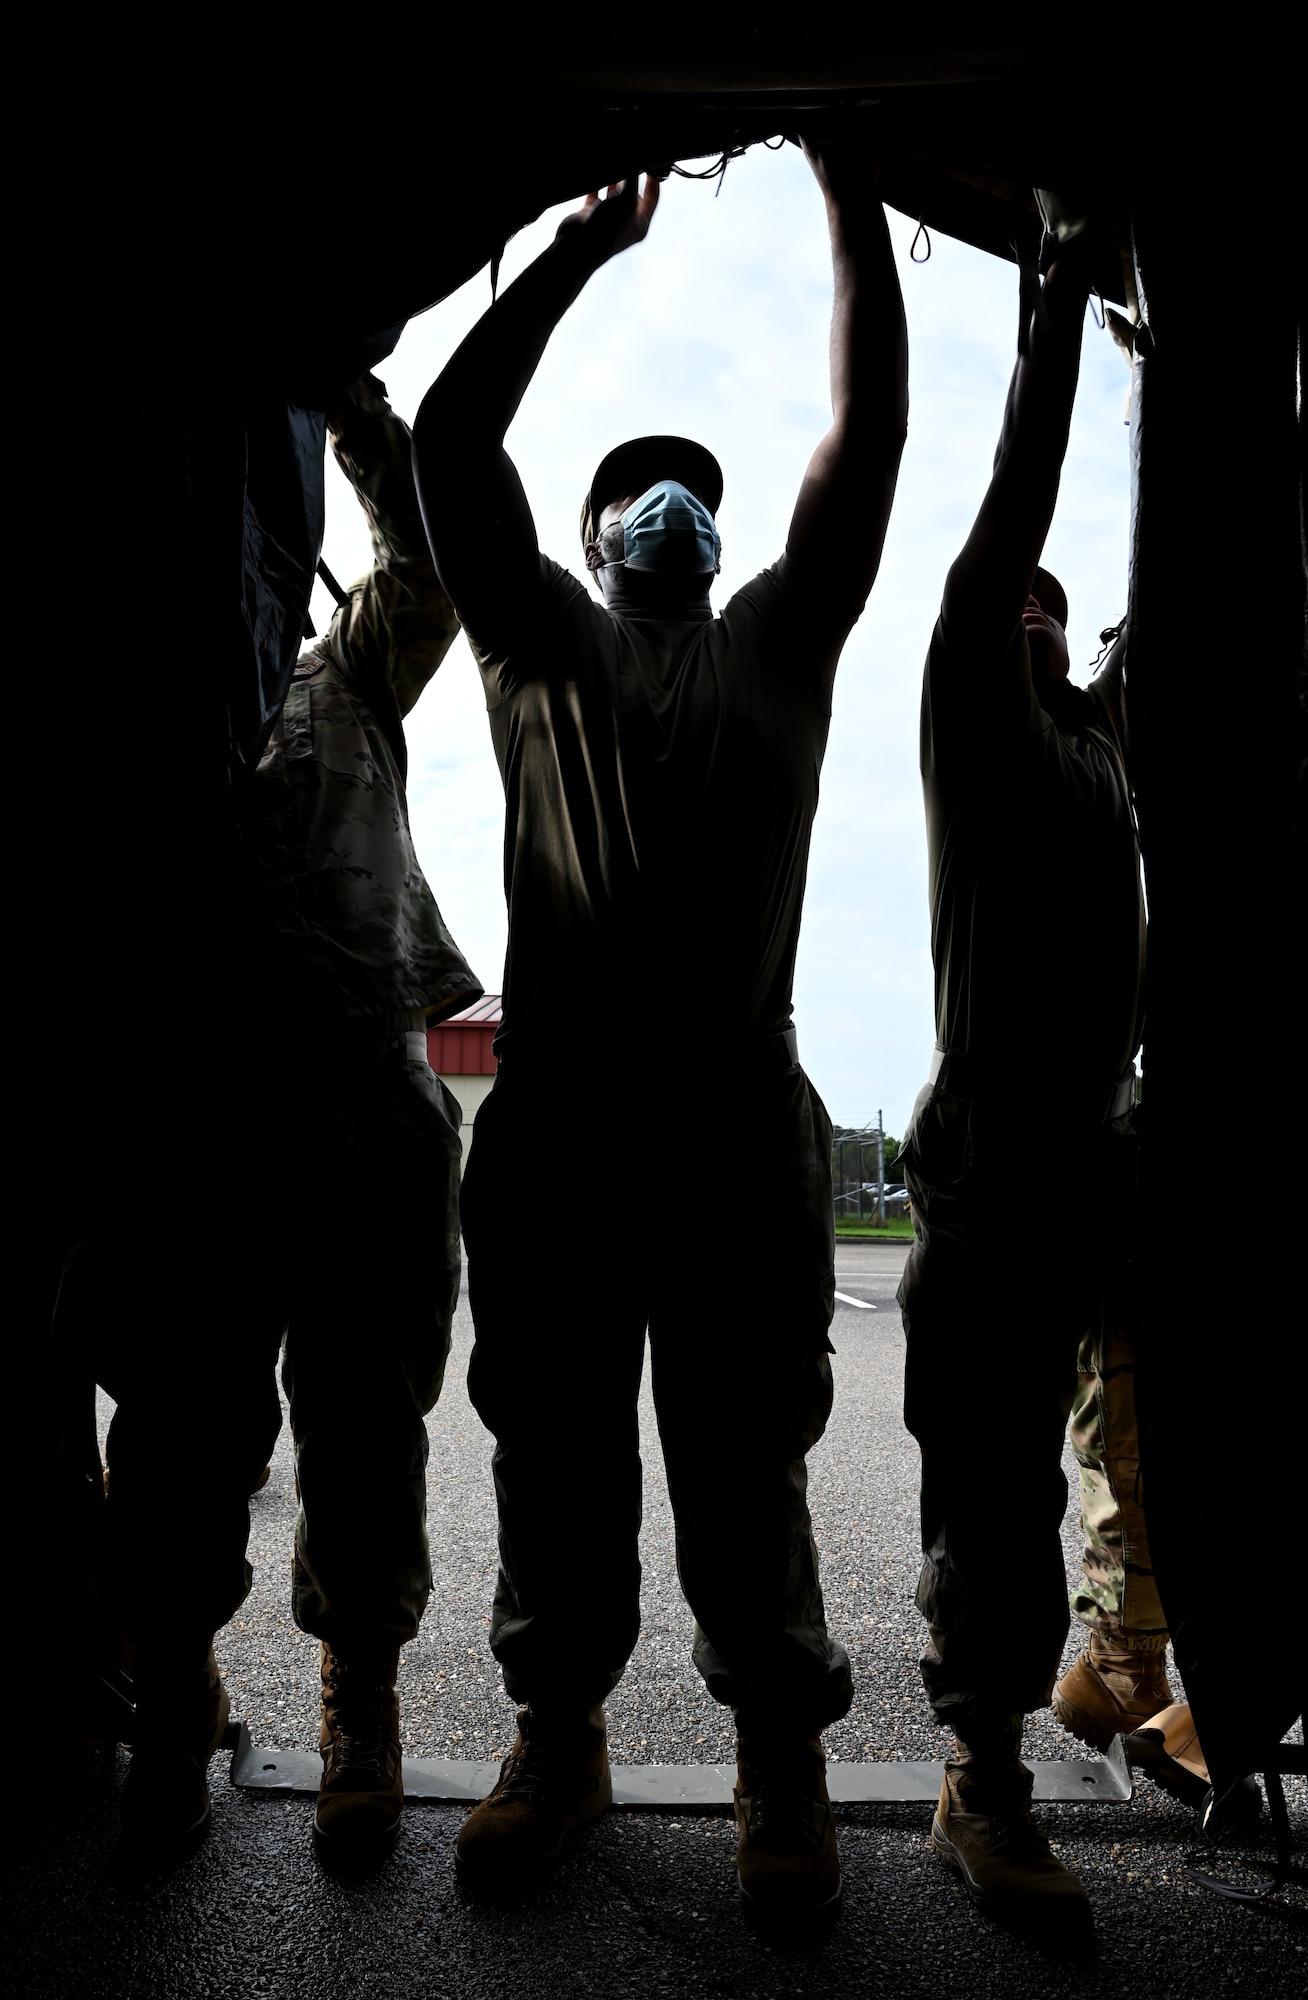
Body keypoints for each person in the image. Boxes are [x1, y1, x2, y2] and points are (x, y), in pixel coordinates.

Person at [413, 143, 907, 1919]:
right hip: (554, 1113)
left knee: (744, 1441)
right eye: (638, 496)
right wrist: (571, 258)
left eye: (694, 492)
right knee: (552, 1437)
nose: (669, 513)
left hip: (728, 1113)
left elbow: (868, 447)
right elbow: (447, 452)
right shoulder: (532, 638)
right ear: (595, 534)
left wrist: (856, 205)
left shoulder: (783, 638)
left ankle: (785, 1759)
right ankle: (563, 1734)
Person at [70, 373, 480, 1863]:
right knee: (187, 1426)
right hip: (199, 1098)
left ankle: (355, 1702)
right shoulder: (139, 697)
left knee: (369, 1420)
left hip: (368, 1079)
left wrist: (349, 405)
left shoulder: (343, 671)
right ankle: (175, 1692)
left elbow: (425, 561)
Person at [894, 219, 1145, 1942]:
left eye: (1064, 610)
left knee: (1144, 1449)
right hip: (991, 1164)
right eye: (1024, 607)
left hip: (1103, 1162)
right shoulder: (973, 728)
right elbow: (1012, 505)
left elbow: (1185, 587)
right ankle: (980, 1781)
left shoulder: (1103, 755)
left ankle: (1136, 1669)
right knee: (991, 1490)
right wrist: (1053, 317)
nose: (1042, 619)